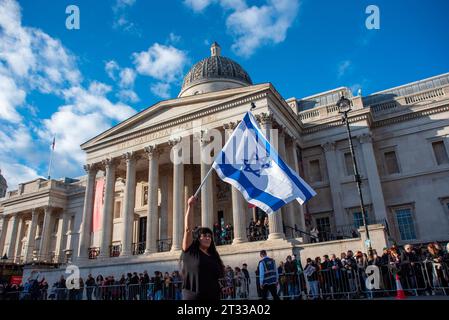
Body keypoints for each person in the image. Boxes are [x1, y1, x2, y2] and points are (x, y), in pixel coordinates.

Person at [181, 196, 225, 300]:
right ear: (198, 238)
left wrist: (221, 287)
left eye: (209, 236)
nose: (208, 238)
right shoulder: (190, 252)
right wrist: (190, 206)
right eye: (204, 236)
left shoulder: (213, 255)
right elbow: (188, 229)